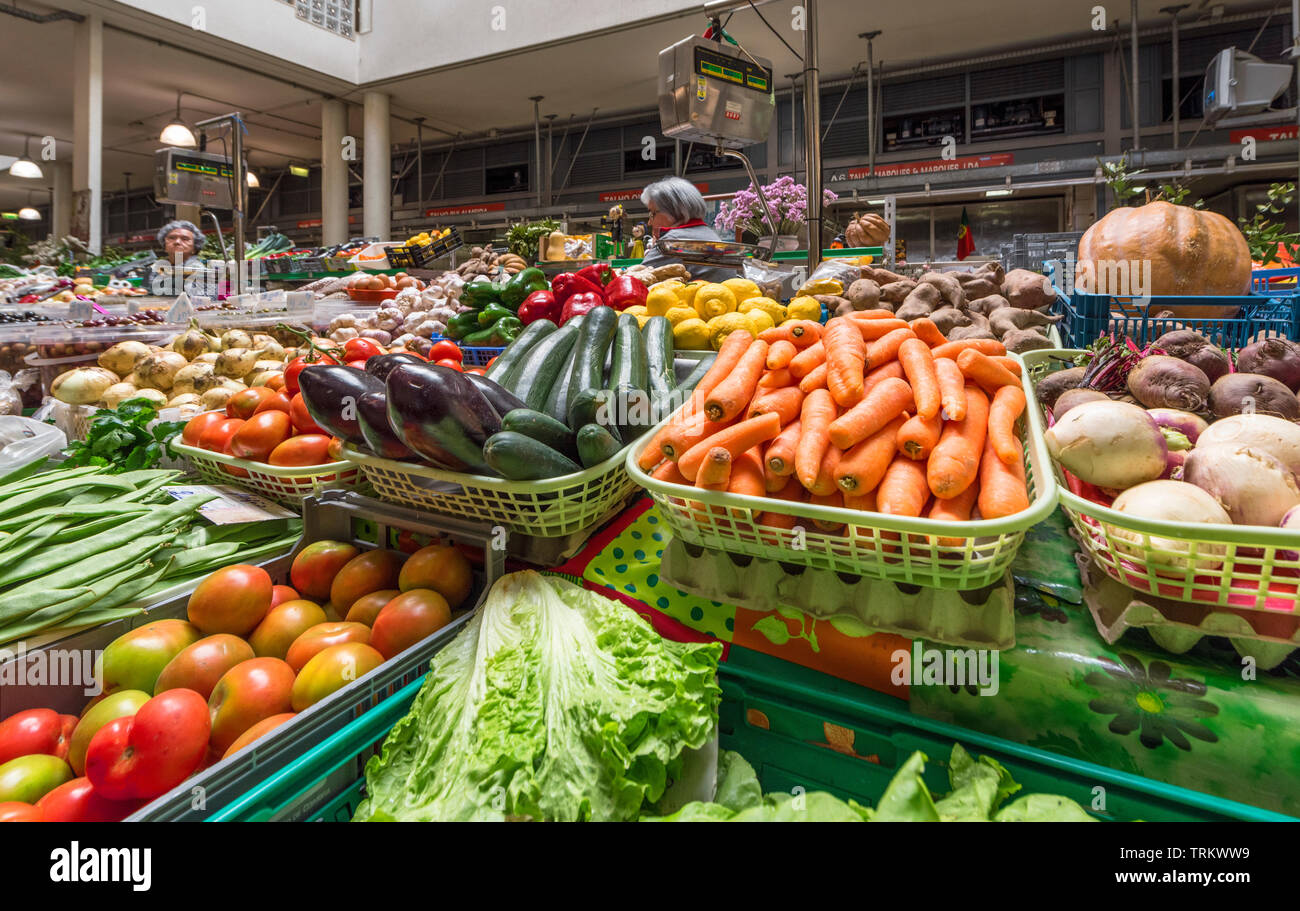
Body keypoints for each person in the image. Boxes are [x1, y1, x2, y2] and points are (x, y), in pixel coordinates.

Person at [639, 176, 737, 284]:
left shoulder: (673, 242)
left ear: (672, 212)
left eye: (652, 213)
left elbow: (636, 282)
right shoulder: (709, 233)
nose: (649, 222)